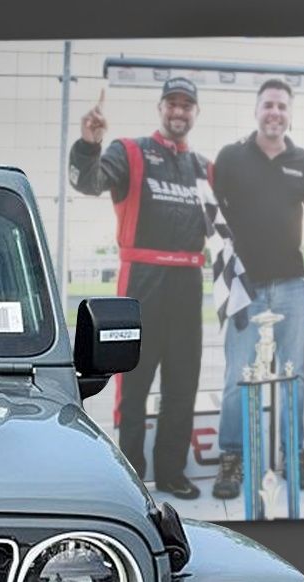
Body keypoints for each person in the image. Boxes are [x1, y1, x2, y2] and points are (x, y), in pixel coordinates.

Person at [69, 77, 208, 499]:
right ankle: (130, 475)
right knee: (134, 383)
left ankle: (171, 472)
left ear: (195, 113)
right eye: (172, 104)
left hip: (189, 283)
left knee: (183, 383)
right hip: (142, 279)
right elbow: (88, 182)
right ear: (161, 108)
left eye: (187, 105)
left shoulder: (204, 167)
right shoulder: (129, 151)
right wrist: (89, 145)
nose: (179, 112)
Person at [210, 78, 304, 500]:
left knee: (293, 376)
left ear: (290, 114)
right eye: (268, 105)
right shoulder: (232, 157)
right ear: (257, 110)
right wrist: (223, 281)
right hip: (244, 284)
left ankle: (294, 454)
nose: (275, 113)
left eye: (282, 107)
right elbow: (211, 219)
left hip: (292, 282)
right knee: (238, 377)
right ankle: (233, 456)